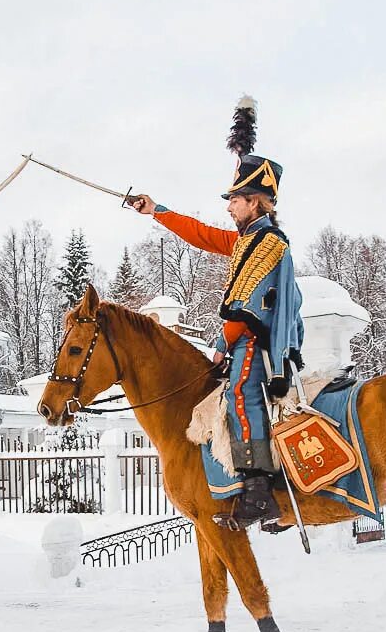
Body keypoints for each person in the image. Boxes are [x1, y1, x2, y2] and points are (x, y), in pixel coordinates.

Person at [129, 142, 304, 531]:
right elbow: (201, 235)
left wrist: (223, 345)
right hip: (243, 336)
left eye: (236, 200)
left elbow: (245, 305)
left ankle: (258, 491)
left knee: (241, 392)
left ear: (256, 203)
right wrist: (156, 211)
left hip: (256, 341)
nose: (229, 207)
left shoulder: (269, 243)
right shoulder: (247, 240)